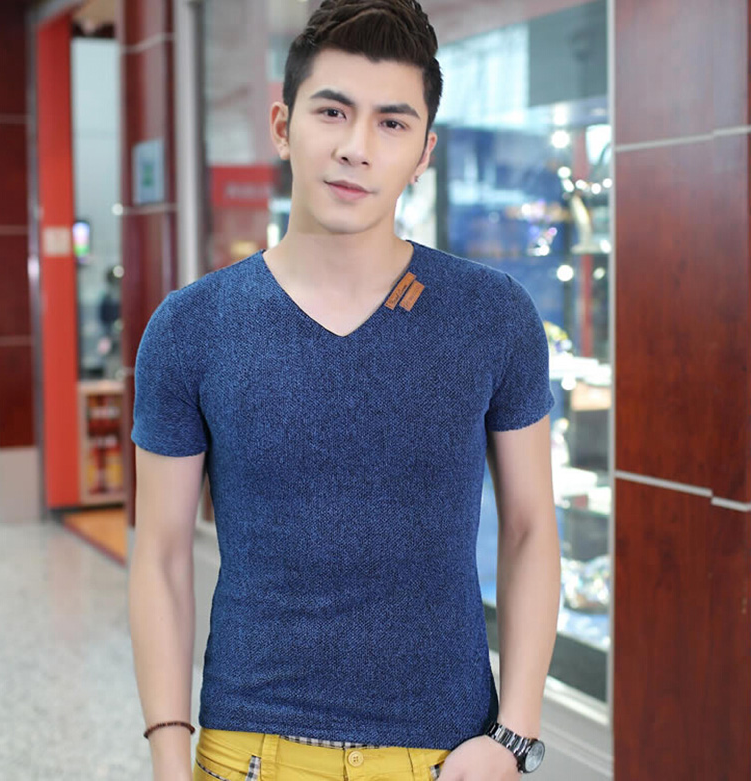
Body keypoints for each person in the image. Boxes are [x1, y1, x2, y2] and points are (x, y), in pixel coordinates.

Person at [128, 1, 560, 779]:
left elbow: (530, 527)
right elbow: (159, 553)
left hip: (444, 754)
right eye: (332, 111)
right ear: (283, 125)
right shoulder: (192, 327)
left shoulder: (491, 314)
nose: (356, 148)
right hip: (248, 752)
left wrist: (515, 735)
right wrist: (167, 753)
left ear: (423, 152)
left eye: (392, 123)